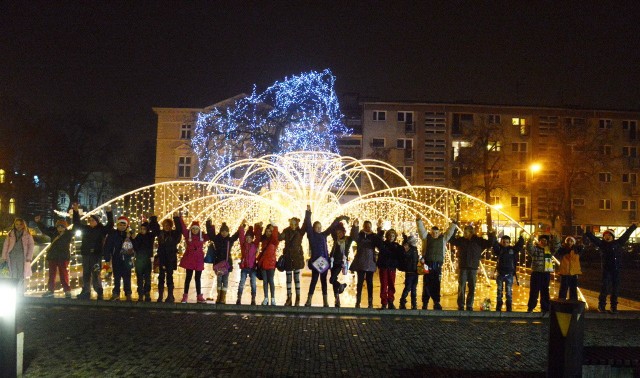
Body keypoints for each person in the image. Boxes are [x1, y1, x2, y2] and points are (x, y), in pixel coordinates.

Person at [583, 224, 636, 313]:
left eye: (609, 235)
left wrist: (633, 227)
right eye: (605, 236)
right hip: (606, 270)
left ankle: (613, 306)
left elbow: (626, 234)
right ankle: (601, 306)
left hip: (616, 270)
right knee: (605, 288)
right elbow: (594, 239)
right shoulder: (602, 244)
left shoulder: (618, 243)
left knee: (615, 289)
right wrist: (587, 232)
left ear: (612, 236)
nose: (607, 237)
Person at [303, 206, 347, 307]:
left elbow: (331, 227)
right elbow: (308, 225)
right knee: (313, 281)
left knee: (324, 282)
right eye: (317, 227)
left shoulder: (323, 235)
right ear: (313, 228)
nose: (319, 228)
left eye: (320, 227)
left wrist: (339, 219)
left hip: (325, 261)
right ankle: (309, 300)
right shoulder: (311, 235)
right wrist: (308, 213)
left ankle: (325, 301)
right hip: (316, 261)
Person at [449, 225, 496, 311]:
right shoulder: (462, 240)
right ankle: (461, 305)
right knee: (461, 286)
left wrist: (491, 233)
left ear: (471, 232)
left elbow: (490, 243)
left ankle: (469, 304)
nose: (464, 234)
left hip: (473, 267)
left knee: (472, 287)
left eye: (466, 232)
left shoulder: (478, 240)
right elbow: (451, 240)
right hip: (463, 266)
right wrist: (454, 229)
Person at [72, 203, 113, 300]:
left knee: (96, 273)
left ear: (97, 221)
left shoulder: (101, 229)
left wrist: (109, 212)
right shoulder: (86, 229)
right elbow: (77, 223)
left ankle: (99, 290)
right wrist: (75, 211)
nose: (90, 222)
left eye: (92, 220)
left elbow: (110, 224)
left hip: (96, 254)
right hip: (86, 254)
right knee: (86, 273)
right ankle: (86, 291)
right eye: (89, 220)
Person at [416, 217, 457, 310]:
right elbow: (421, 230)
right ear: (431, 232)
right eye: (433, 232)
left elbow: (449, 232)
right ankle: (425, 302)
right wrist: (419, 221)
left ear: (439, 233)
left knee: (436, 284)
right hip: (427, 264)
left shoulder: (443, 239)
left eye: (436, 233)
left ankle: (436, 302)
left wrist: (453, 223)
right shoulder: (426, 238)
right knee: (426, 284)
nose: (435, 234)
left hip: (438, 265)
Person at [36, 216, 73, 298]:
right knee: (52, 275)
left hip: (63, 257)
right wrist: (39, 222)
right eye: (58, 226)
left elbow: (77, 225)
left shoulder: (68, 234)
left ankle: (67, 290)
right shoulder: (53, 233)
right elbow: (44, 229)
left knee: (63, 275)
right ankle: (50, 290)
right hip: (53, 256)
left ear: (65, 227)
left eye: (62, 226)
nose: (60, 228)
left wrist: (76, 214)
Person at [350, 219, 383, 308]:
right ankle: (358, 301)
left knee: (370, 283)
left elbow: (380, 242)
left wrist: (380, 228)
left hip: (370, 262)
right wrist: (355, 227)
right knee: (360, 283)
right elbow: (353, 236)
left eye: (369, 226)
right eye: (366, 226)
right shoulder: (360, 235)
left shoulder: (373, 236)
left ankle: (370, 301)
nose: (368, 228)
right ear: (363, 227)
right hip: (361, 262)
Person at [149, 214, 182, 303]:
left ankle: (170, 296)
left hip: (171, 258)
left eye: (168, 225)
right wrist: (153, 219)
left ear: (171, 226)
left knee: (170, 277)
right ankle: (160, 296)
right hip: (162, 258)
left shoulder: (174, 234)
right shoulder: (160, 233)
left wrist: (176, 218)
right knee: (161, 277)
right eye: (165, 225)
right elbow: (154, 228)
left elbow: (179, 230)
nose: (167, 227)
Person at [179, 217, 210, 304]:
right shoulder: (188, 235)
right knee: (188, 278)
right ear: (191, 229)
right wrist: (179, 218)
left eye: (197, 229)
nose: (195, 230)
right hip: (190, 260)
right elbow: (183, 227)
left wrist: (209, 223)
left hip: (199, 260)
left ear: (199, 229)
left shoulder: (202, 236)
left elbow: (211, 234)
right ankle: (185, 296)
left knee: (198, 278)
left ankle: (199, 296)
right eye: (193, 229)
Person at [525, 233, 559, 313]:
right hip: (536, 273)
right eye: (542, 240)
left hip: (545, 273)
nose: (544, 242)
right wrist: (531, 239)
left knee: (545, 291)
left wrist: (555, 237)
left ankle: (545, 307)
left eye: (545, 241)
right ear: (539, 241)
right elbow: (529, 248)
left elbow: (556, 247)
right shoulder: (535, 249)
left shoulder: (549, 250)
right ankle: (531, 307)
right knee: (534, 291)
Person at [103, 216, 135, 301]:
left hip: (127, 259)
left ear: (127, 225)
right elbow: (108, 246)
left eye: (123, 224)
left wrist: (130, 237)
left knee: (127, 277)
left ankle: (128, 293)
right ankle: (116, 293)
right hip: (116, 257)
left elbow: (135, 246)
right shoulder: (113, 234)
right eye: (120, 224)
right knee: (116, 276)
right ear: (117, 225)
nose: (122, 226)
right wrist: (107, 258)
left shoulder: (130, 234)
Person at [208, 222, 240, 304]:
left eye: (226, 231)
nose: (224, 233)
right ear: (220, 231)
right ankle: (219, 296)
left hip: (226, 263)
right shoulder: (217, 239)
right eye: (222, 231)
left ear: (228, 232)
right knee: (219, 279)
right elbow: (211, 235)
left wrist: (242, 226)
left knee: (225, 280)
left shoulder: (230, 240)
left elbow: (236, 235)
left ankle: (223, 297)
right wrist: (209, 223)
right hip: (218, 263)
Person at [492, 232, 524, 312]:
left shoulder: (512, 250)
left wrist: (521, 237)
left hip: (509, 274)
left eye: (507, 242)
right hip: (500, 273)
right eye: (503, 242)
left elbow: (519, 246)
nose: (505, 244)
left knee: (508, 291)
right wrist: (492, 234)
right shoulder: (499, 249)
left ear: (509, 242)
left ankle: (508, 305)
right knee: (499, 290)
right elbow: (494, 244)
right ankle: (499, 304)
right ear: (501, 242)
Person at [1, 218, 35, 294]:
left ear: (23, 225)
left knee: (21, 273)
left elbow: (31, 245)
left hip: (22, 256)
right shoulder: (11, 234)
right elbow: (6, 245)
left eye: (20, 224)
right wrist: (4, 256)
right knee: (13, 273)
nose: (18, 226)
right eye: (17, 224)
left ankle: (20, 290)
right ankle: (13, 290)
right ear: (14, 225)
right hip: (12, 255)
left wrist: (29, 257)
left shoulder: (27, 234)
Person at [278, 215, 306, 306]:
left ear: (297, 223)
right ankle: (289, 298)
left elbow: (306, 224)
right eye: (291, 223)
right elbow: (280, 238)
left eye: (295, 223)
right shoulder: (286, 231)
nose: (293, 225)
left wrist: (308, 212)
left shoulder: (300, 231)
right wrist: (275, 227)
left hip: (297, 257)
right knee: (288, 279)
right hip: (288, 257)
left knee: (297, 279)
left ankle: (298, 298)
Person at [329, 220, 357, 307]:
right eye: (337, 233)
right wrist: (339, 219)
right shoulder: (335, 238)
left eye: (340, 232)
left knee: (332, 280)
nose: (338, 234)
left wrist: (355, 226)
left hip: (341, 262)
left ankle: (341, 286)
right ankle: (337, 298)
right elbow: (331, 229)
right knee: (333, 281)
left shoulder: (347, 239)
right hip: (333, 262)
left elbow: (354, 235)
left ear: (344, 232)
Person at [377, 227, 403, 309]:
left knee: (391, 284)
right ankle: (384, 302)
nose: (391, 237)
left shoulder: (396, 246)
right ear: (387, 236)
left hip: (392, 268)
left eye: (393, 236)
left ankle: (390, 301)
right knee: (384, 285)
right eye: (390, 235)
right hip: (384, 267)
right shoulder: (383, 244)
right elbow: (379, 244)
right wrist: (380, 233)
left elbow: (402, 252)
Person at [237, 222, 260, 305]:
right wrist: (242, 227)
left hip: (252, 268)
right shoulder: (243, 244)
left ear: (252, 238)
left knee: (253, 284)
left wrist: (258, 227)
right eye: (247, 237)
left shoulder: (255, 245)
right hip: (244, 267)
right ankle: (239, 298)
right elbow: (241, 236)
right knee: (241, 283)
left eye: (250, 237)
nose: (248, 239)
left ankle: (253, 299)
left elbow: (258, 237)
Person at [132, 220, 155, 302]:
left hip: (147, 260)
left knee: (147, 278)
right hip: (139, 260)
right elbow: (135, 247)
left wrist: (153, 220)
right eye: (141, 229)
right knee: (140, 278)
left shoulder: (150, 236)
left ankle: (147, 292)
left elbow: (155, 229)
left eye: (144, 229)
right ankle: (141, 293)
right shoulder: (139, 236)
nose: (142, 230)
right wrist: (132, 238)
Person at [257, 220, 279, 305]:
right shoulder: (264, 240)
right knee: (265, 282)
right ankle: (266, 298)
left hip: (271, 264)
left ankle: (273, 298)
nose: (268, 232)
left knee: (271, 281)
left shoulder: (274, 240)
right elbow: (258, 236)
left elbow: (275, 235)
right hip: (263, 263)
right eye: (266, 231)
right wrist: (258, 227)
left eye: (270, 231)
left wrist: (274, 226)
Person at [555, 236, 583, 301]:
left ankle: (573, 302)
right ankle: (561, 301)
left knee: (573, 288)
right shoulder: (562, 250)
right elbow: (557, 249)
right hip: (565, 272)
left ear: (574, 242)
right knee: (563, 288)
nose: (570, 243)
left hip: (574, 272)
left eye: (571, 241)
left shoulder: (577, 250)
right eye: (568, 241)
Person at [398, 233, 420, 309]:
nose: (415, 242)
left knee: (413, 288)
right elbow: (404, 254)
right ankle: (403, 301)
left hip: (415, 272)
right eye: (413, 241)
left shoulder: (415, 249)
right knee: (408, 288)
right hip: (410, 272)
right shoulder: (409, 249)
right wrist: (405, 240)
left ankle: (413, 303)